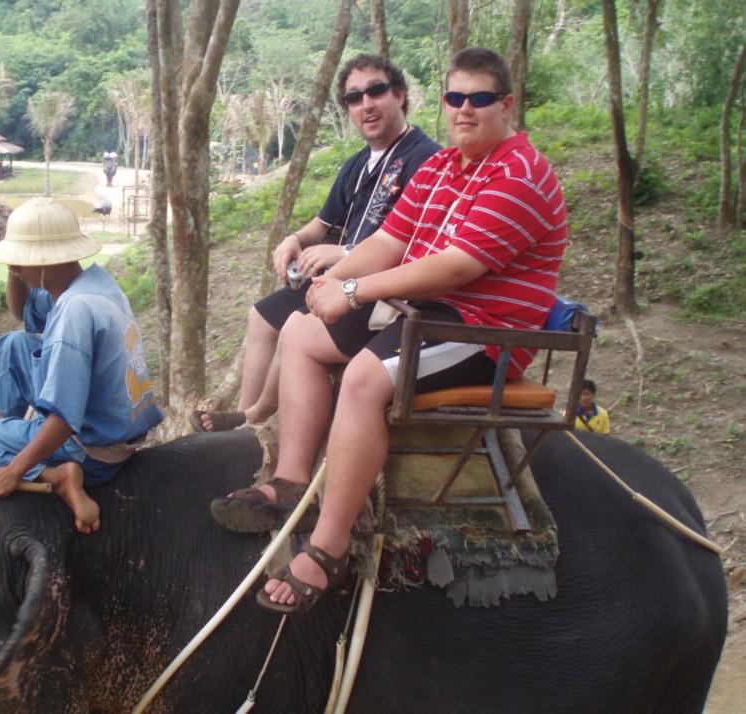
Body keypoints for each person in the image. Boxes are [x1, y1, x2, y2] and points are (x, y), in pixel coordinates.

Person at [211, 47, 568, 613]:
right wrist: (329, 282)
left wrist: (354, 291)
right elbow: (388, 241)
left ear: (506, 105)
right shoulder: (441, 167)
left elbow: (456, 267)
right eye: (455, 97)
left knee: (363, 378)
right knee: (300, 332)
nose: (465, 109)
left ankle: (328, 548)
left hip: (480, 330)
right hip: (421, 312)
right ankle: (292, 480)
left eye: (479, 98)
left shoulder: (519, 174)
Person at [190, 54, 440, 433]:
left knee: (298, 323)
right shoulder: (357, 164)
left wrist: (342, 253)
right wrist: (294, 239)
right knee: (263, 316)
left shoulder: (425, 159)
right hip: (338, 278)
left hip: (378, 292)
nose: (366, 104)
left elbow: (416, 246)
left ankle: (258, 415)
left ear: (400, 95)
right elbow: (321, 224)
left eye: (376, 91)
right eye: (354, 97)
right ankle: (242, 422)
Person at [0, 197, 163, 533]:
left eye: (21, 261)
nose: (15, 269)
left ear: (44, 260)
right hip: (115, 426)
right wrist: (16, 263)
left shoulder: (73, 314)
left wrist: (14, 470)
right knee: (16, 344)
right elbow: (22, 310)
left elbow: (65, 418)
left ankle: (55, 474)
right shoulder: (94, 285)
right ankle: (15, 430)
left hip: (90, 450)